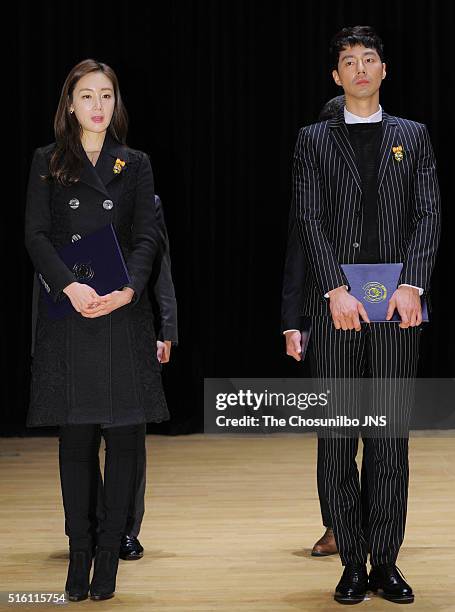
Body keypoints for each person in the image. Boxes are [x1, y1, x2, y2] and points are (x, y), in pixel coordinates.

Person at [287, 26, 441, 604]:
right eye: (348, 61)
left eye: (368, 59)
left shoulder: (413, 136)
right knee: (337, 439)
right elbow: (309, 217)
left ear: (383, 70)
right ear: (336, 76)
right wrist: (333, 288)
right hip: (336, 312)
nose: (359, 69)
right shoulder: (313, 140)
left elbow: (428, 214)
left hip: (398, 312)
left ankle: (387, 563)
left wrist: (413, 284)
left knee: (388, 441)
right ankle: (351, 562)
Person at [24, 58, 168, 602]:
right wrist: (70, 287)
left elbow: (147, 238)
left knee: (126, 437)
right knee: (76, 442)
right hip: (70, 316)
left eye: (106, 95)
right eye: (87, 96)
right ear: (70, 104)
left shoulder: (135, 164)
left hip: (122, 312)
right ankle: (78, 554)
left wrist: (130, 288)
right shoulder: (46, 162)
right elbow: (35, 235)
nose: (98, 105)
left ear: (117, 103)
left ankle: (109, 555)